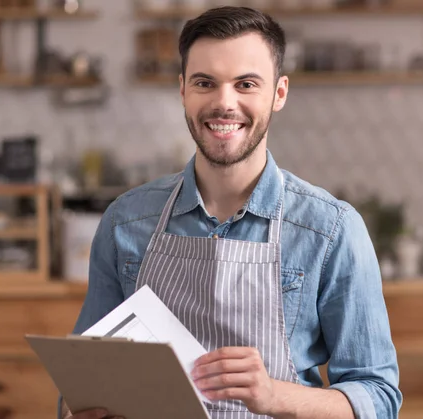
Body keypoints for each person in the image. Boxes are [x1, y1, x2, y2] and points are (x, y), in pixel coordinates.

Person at [61, 6, 402, 419]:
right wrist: (80, 407)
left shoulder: (331, 230)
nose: (225, 103)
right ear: (183, 89)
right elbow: (83, 380)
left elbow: (379, 398)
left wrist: (275, 396)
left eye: (246, 84)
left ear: (279, 93)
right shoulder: (125, 222)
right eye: (206, 82)